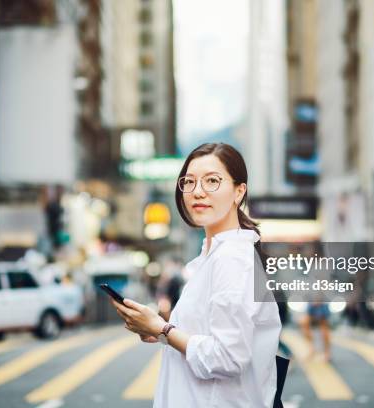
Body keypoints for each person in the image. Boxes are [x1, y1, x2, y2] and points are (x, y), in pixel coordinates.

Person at [111, 143, 282, 408]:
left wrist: (162, 329)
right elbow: (209, 334)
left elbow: (228, 358)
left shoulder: (232, 258)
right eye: (188, 182)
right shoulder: (213, 257)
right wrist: (158, 330)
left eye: (212, 181)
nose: (198, 191)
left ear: (239, 191)